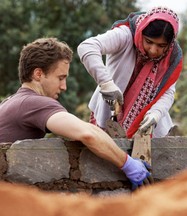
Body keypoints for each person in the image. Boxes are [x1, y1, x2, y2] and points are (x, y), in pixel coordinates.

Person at [0, 37, 153, 191]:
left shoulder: (10, 102)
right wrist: (127, 163)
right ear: (38, 74)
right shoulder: (33, 103)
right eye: (60, 78)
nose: (64, 86)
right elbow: (87, 134)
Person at [77, 6, 183, 138]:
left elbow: (167, 91)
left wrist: (156, 113)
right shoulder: (125, 35)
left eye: (161, 46)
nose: (153, 50)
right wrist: (106, 83)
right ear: (142, 32)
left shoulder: (171, 56)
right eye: (149, 42)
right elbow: (87, 47)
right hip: (110, 116)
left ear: (170, 43)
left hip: (148, 126)